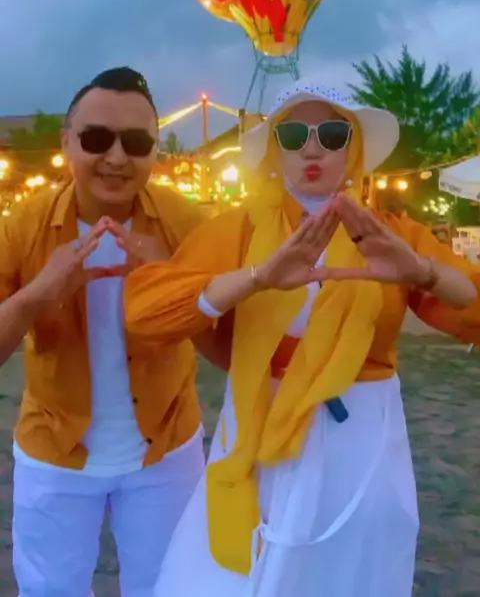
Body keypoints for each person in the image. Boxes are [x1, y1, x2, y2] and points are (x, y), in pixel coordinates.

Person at [124, 77, 480, 597]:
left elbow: (470, 308)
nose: (312, 149)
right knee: (237, 575)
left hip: (361, 434)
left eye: (332, 135)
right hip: (260, 424)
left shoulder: (391, 234)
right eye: (293, 136)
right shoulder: (238, 230)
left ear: (354, 150)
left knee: (347, 570)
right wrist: (257, 277)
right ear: (275, 151)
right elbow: (146, 313)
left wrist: (422, 272)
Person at [0, 67, 211, 597]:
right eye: (96, 139)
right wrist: (37, 295)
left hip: (167, 446)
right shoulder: (20, 226)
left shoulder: (187, 223)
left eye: (136, 143)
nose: (116, 157)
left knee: (171, 588)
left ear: (155, 151)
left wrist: (176, 284)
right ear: (66, 142)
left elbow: (229, 335)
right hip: (55, 448)